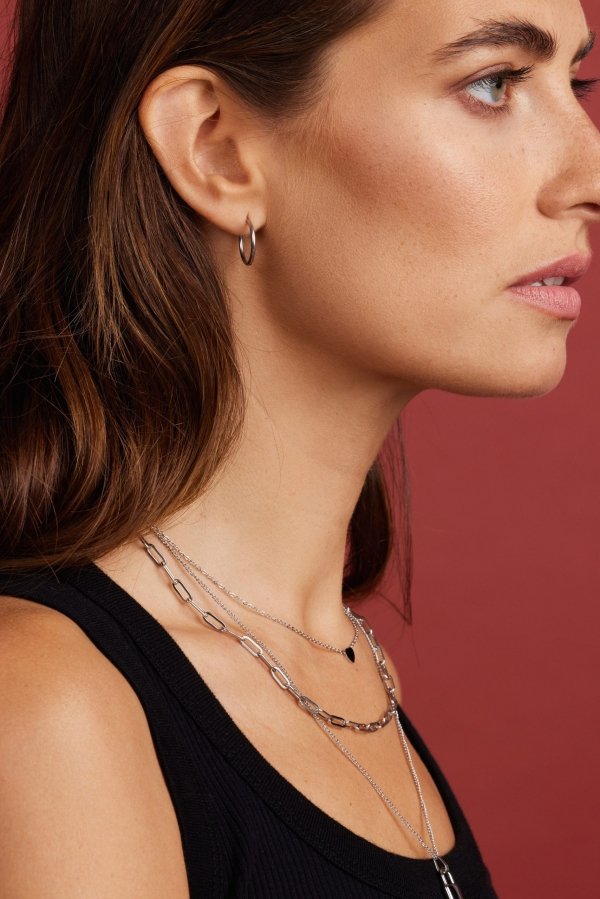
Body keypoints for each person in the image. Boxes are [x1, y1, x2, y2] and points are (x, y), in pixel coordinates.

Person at [1, 0, 599, 895]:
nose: (588, 173)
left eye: (577, 82)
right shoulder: (51, 710)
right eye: (494, 83)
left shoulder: (337, 670)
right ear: (216, 148)